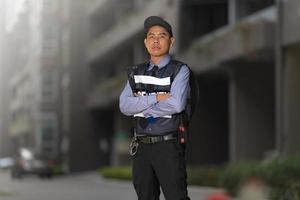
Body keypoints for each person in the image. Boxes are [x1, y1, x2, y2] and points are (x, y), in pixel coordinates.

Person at [119, 16, 191, 200]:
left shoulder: (180, 70)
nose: (156, 40)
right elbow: (125, 105)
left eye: (162, 36)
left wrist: (141, 106)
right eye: (151, 36)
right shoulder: (135, 73)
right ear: (145, 42)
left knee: (177, 197)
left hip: (168, 146)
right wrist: (157, 97)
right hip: (141, 147)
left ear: (171, 41)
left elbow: (176, 104)